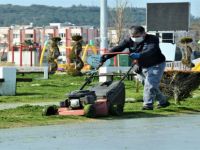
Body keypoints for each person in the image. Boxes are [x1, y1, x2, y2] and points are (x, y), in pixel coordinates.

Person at [100, 25, 169, 110]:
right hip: (141, 64)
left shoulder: (153, 39)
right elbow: (118, 48)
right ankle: (163, 102)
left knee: (150, 84)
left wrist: (140, 55)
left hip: (156, 64)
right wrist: (106, 56)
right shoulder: (128, 40)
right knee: (148, 85)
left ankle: (147, 105)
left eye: (137, 36)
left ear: (144, 34)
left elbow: (151, 50)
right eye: (133, 36)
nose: (135, 38)